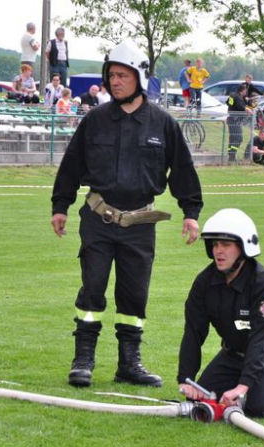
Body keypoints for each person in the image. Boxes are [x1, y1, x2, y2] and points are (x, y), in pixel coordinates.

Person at [51, 39, 203, 389]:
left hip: (140, 223)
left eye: (122, 75)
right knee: (93, 288)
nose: (115, 81)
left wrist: (190, 212)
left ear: (139, 77)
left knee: (135, 295)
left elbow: (182, 170)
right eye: (111, 75)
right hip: (98, 219)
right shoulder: (95, 120)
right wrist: (60, 206)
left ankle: (129, 364)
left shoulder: (163, 124)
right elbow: (71, 166)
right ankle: (83, 359)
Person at [177, 208, 264, 418]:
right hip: (235, 353)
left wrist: (243, 386)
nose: (218, 251)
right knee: (202, 397)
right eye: (215, 244)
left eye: (226, 244)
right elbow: (193, 332)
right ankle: (256, 382)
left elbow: (261, 339)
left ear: (243, 248)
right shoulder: (204, 283)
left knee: (262, 407)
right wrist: (186, 379)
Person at [226, 84, 250, 162]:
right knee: (239, 138)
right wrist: (248, 110)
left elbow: (228, 103)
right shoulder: (238, 97)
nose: (246, 91)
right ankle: (232, 156)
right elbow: (240, 107)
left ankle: (231, 156)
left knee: (232, 139)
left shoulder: (232, 95)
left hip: (231, 119)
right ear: (242, 90)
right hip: (235, 120)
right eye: (245, 90)